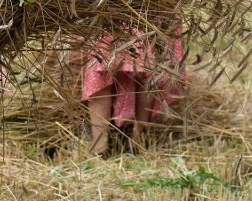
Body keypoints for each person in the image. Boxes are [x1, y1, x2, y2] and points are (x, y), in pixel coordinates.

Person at [74, 22, 186, 157]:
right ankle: (108, 147)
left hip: (144, 10)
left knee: (148, 69)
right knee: (102, 67)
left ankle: (131, 142)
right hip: (113, 12)